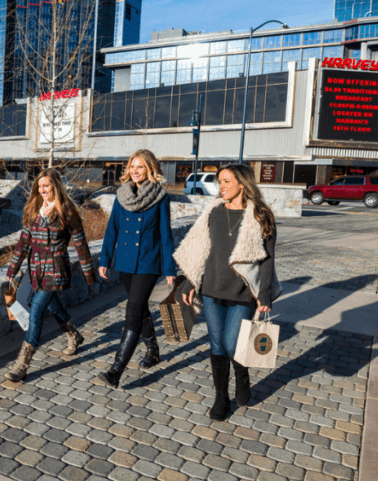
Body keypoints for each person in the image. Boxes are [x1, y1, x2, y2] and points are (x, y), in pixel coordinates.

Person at [172, 164, 281, 421]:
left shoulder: (261, 216)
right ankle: (221, 397)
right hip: (211, 289)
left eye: (226, 181)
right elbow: (200, 250)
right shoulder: (214, 212)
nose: (221, 186)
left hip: (242, 292)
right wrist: (189, 282)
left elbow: (268, 260)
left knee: (233, 345)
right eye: (220, 181)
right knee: (217, 345)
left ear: (242, 184)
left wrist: (263, 294)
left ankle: (241, 376)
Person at [4, 168, 96, 382]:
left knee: (36, 310)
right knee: (53, 305)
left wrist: (88, 274)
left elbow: (81, 244)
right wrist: (13, 268)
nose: (43, 189)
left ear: (56, 185)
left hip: (55, 269)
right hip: (35, 270)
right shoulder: (34, 209)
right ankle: (74, 334)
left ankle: (22, 364)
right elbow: (24, 241)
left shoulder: (67, 210)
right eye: (40, 186)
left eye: (47, 185)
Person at [97, 149, 177, 388]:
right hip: (125, 262)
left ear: (150, 170)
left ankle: (115, 370)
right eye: (132, 167)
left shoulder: (161, 198)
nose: (134, 171)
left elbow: (166, 236)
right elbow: (112, 230)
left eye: (140, 167)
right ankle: (153, 350)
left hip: (147, 262)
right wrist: (104, 259)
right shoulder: (121, 196)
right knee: (139, 308)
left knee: (132, 311)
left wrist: (170, 269)